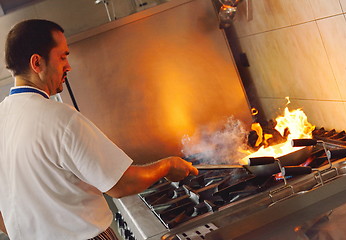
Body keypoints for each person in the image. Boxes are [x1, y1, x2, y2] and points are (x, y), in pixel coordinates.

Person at [0, 19, 198, 240]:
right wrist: (168, 165)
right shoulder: (59, 118)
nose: (68, 65)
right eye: (62, 56)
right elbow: (121, 184)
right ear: (37, 63)